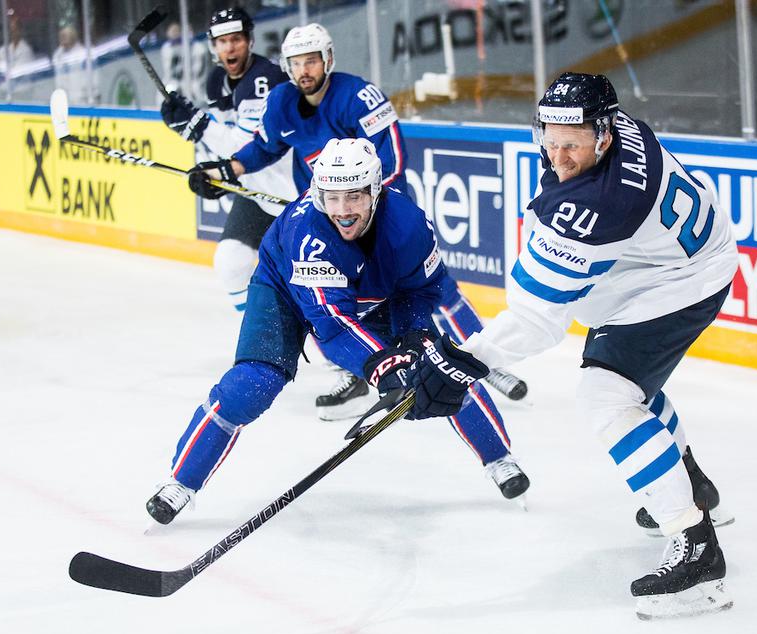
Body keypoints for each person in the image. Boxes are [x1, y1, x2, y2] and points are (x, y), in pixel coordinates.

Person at [404, 72, 737, 620]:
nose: (558, 155)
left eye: (572, 143)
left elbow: (538, 321)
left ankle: (696, 544)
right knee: (631, 386)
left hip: (680, 281)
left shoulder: (597, 207)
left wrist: (465, 362)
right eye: (550, 139)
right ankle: (692, 484)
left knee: (606, 396)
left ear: (603, 135)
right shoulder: (619, 129)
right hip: (667, 260)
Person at [146, 138, 529, 526]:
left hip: (370, 296)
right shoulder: (307, 236)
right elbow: (331, 326)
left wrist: (416, 339)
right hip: (283, 291)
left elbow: (422, 289)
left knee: (439, 370)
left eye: (354, 197)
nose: (342, 211)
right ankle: (181, 483)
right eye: (331, 197)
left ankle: (500, 458)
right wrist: (384, 366)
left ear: (375, 191)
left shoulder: (411, 226)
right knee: (250, 385)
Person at [189, 22, 528, 420]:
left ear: (328, 59)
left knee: (435, 289)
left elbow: (394, 159)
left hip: (377, 212)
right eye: (296, 63)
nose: (304, 71)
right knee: (334, 304)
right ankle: (355, 373)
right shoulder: (281, 101)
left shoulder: (360, 97)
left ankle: (484, 357)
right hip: (327, 218)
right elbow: (265, 148)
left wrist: (358, 205)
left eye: (312, 61)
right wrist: (225, 170)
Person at [160, 7, 294, 313]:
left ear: (249, 41)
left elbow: (252, 147)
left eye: (236, 39)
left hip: (291, 192)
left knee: (311, 278)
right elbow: (227, 148)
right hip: (255, 193)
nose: (229, 47)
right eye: (222, 41)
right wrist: (191, 130)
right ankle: (262, 337)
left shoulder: (266, 78)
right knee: (231, 262)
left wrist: (199, 125)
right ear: (212, 46)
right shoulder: (216, 81)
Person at [52, 24, 99, 105]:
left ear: (74, 35)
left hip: (82, 101)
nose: (62, 37)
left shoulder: (85, 54)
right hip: (63, 103)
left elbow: (94, 80)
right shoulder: (57, 55)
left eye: (65, 34)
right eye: (61, 35)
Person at [0, 11, 35, 78]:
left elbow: (16, 74)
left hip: (22, 87)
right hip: (3, 87)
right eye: (11, 30)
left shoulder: (26, 50)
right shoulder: (3, 50)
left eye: (15, 30)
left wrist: (0, 64)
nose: (13, 33)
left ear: (20, 30)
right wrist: (5, 66)